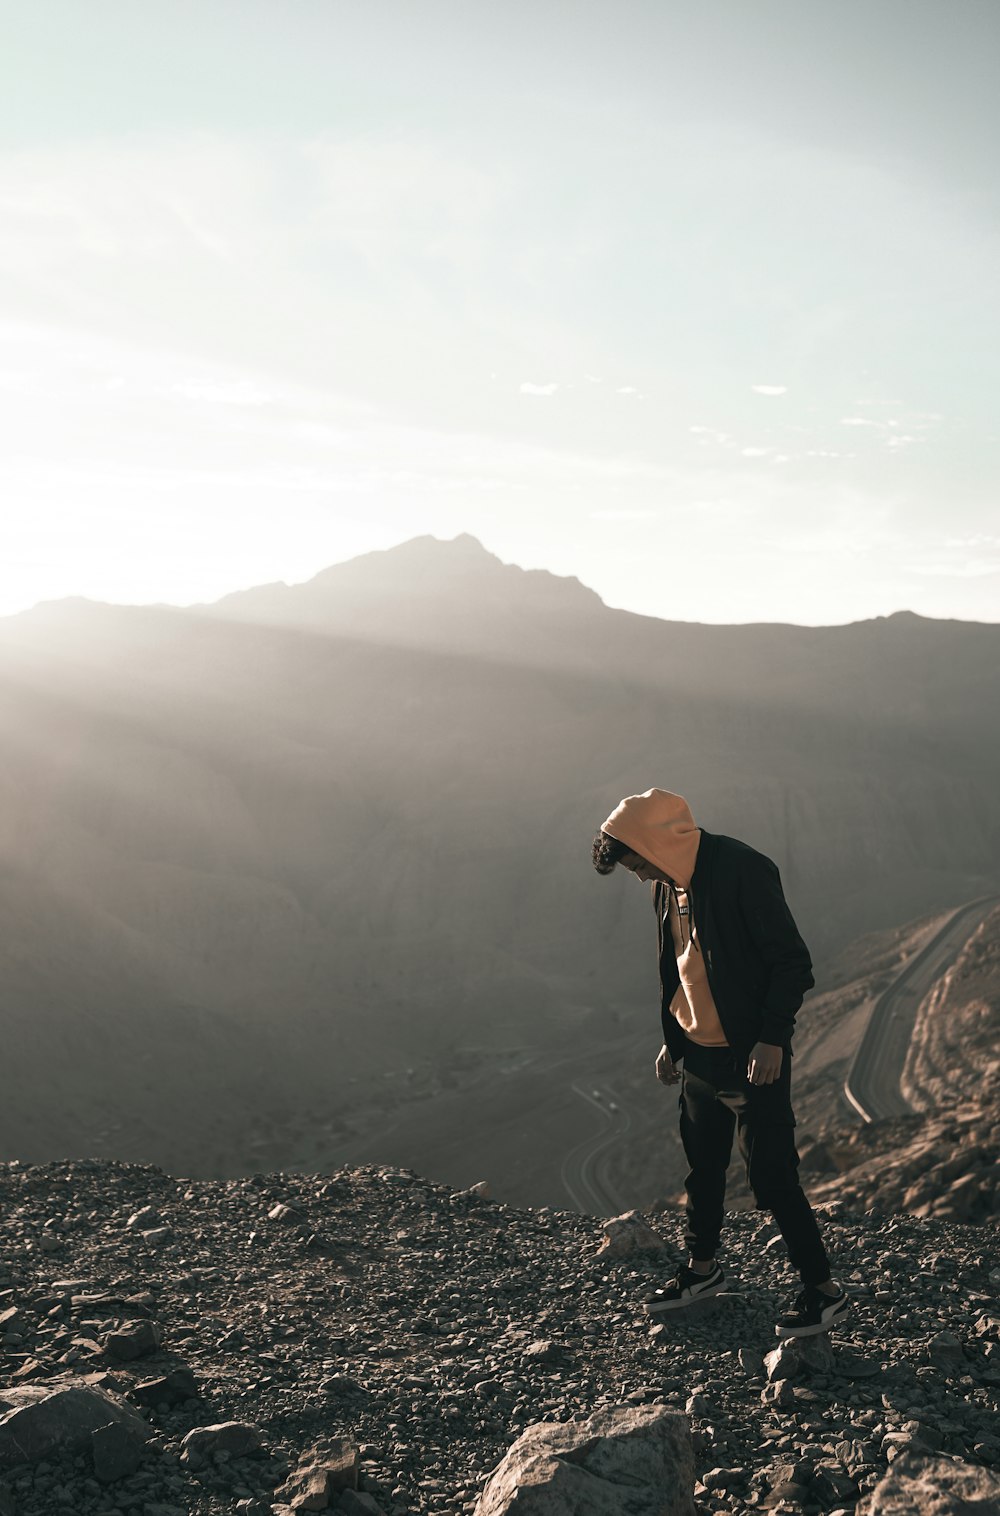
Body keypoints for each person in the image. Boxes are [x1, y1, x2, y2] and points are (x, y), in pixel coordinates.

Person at [592, 787, 849, 1339]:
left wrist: (772, 1039)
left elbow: (791, 962)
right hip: (699, 1057)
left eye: (636, 862)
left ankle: (823, 1291)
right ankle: (702, 1271)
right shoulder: (666, 885)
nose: (638, 876)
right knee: (703, 1171)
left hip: (752, 1056)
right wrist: (676, 1041)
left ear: (656, 842)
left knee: (772, 1176)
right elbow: (682, 968)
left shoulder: (741, 869)